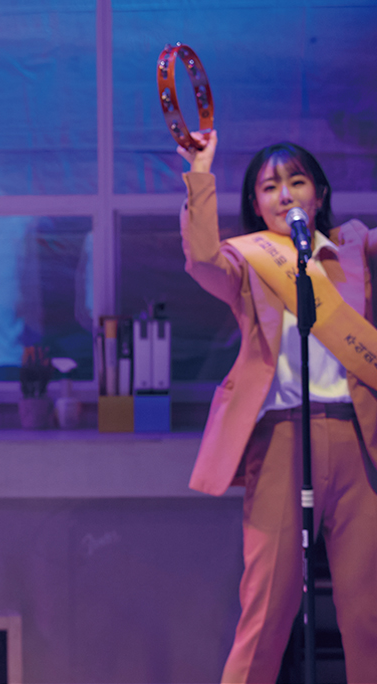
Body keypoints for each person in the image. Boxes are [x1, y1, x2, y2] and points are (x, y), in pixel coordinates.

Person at [178, 129, 377, 683]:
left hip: (359, 443)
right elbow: (201, 258)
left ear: (320, 193)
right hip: (282, 440)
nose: (285, 193)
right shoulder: (247, 262)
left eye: (297, 181)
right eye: (270, 187)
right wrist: (200, 171)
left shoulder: (354, 247)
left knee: (367, 616)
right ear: (256, 203)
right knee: (266, 613)